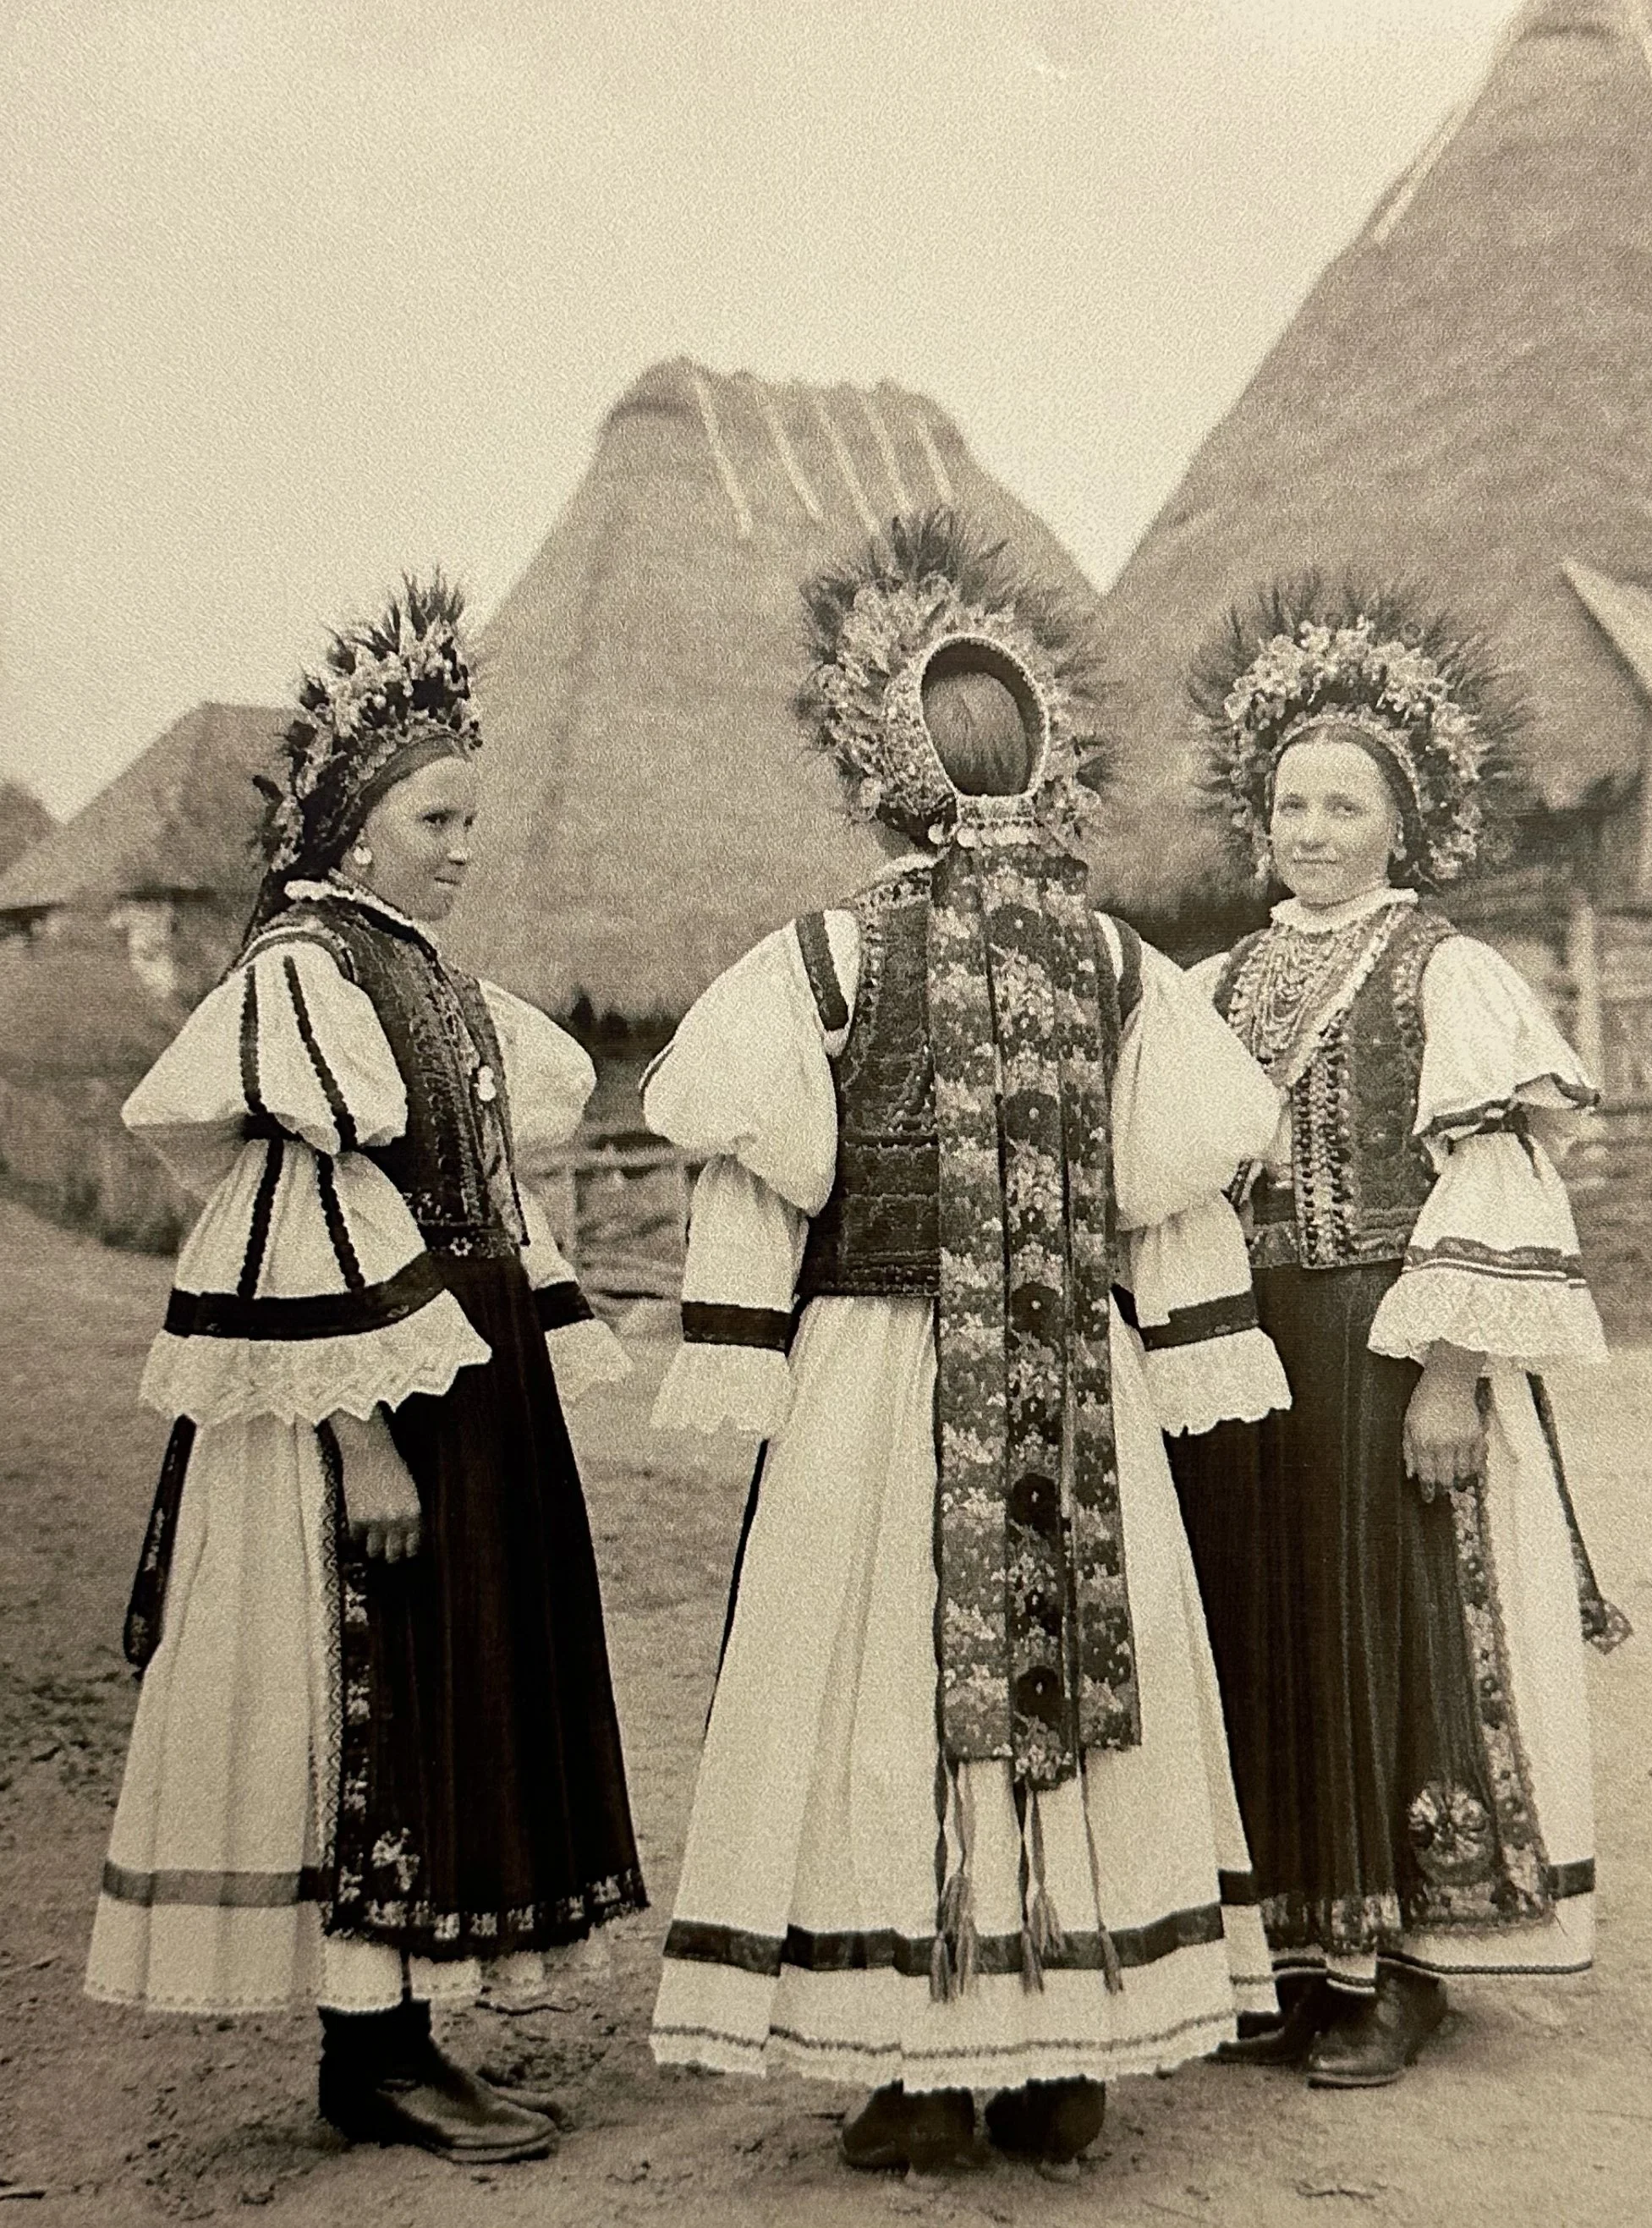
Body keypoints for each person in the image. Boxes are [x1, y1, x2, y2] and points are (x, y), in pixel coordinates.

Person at [644, 513, 1291, 2176]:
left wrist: (742, 1339)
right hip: (1073, 1389)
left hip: (883, 1383)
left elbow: (724, 1123)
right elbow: (1194, 1150)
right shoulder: (1114, 959)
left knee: (885, 1696)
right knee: (1066, 1702)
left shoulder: (831, 955)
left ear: (880, 773)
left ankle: (921, 2069)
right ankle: (1062, 2062)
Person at [86, 575, 645, 2164]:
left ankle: (398, 2036)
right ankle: (372, 2049)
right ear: (353, 826)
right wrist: (363, 1446)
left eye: (471, 818)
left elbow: (479, 1185)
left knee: (446, 1685)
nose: (461, 845)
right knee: (373, 1700)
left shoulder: (426, 976)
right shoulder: (309, 972)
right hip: (376, 1398)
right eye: (433, 817)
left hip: (462, 1373)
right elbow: (299, 1212)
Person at [1172, 580, 1627, 2088]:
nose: (1309, 829)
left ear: (1400, 822)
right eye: (1289, 802)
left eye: (1343, 803)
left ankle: (1407, 1960)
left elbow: (1495, 1172)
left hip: (1384, 1336)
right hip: (1247, 1347)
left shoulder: (1446, 969)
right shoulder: (1215, 984)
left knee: (1387, 1628)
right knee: (1263, 1622)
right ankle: (1296, 1959)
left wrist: (1447, 1374)